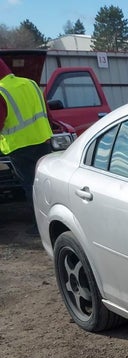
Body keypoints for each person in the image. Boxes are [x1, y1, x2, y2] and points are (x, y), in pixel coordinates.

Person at [0, 58, 53, 230]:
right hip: (43, 140)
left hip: (20, 147)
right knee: (46, 182)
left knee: (31, 186)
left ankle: (39, 226)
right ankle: (54, 219)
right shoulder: (31, 84)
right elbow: (47, 113)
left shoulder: (1, 91)